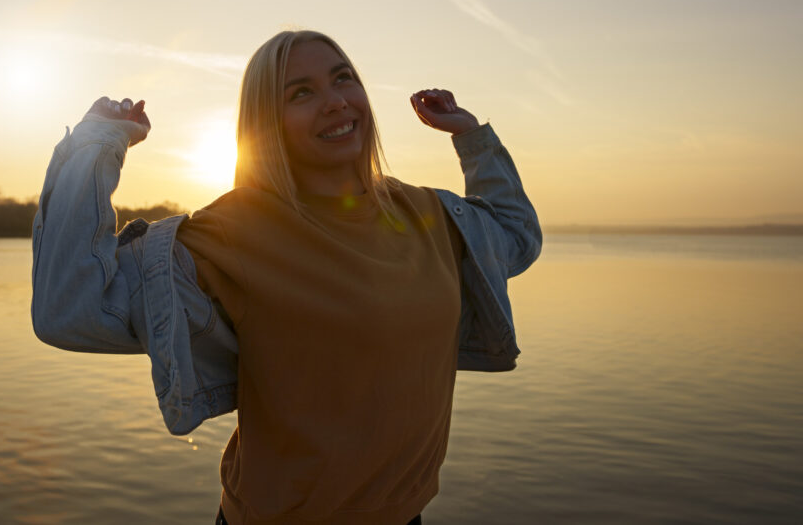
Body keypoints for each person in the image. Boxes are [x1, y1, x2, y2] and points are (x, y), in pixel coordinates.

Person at [31, 30, 541, 525]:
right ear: (266, 124)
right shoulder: (237, 232)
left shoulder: (426, 213)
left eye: (343, 78)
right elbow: (69, 309)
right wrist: (99, 142)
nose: (336, 101)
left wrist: (472, 137)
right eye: (301, 93)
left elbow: (515, 237)